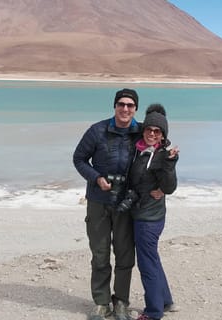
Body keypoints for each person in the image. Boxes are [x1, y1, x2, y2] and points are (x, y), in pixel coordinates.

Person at [72, 88, 143, 320]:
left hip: (126, 203)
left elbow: (160, 146)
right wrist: (96, 178)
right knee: (100, 254)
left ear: (135, 109)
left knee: (124, 255)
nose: (125, 109)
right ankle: (101, 302)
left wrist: (172, 157)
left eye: (130, 105)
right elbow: (79, 158)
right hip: (98, 202)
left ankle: (121, 302)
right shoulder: (97, 130)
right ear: (114, 106)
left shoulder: (141, 132)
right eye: (121, 104)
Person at [126, 104, 179, 320]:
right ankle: (165, 301)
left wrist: (170, 162)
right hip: (141, 212)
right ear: (144, 130)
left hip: (149, 217)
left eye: (157, 131)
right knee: (152, 258)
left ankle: (154, 312)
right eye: (149, 129)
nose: (152, 134)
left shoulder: (162, 155)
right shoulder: (138, 149)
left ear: (163, 135)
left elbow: (169, 186)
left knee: (146, 263)